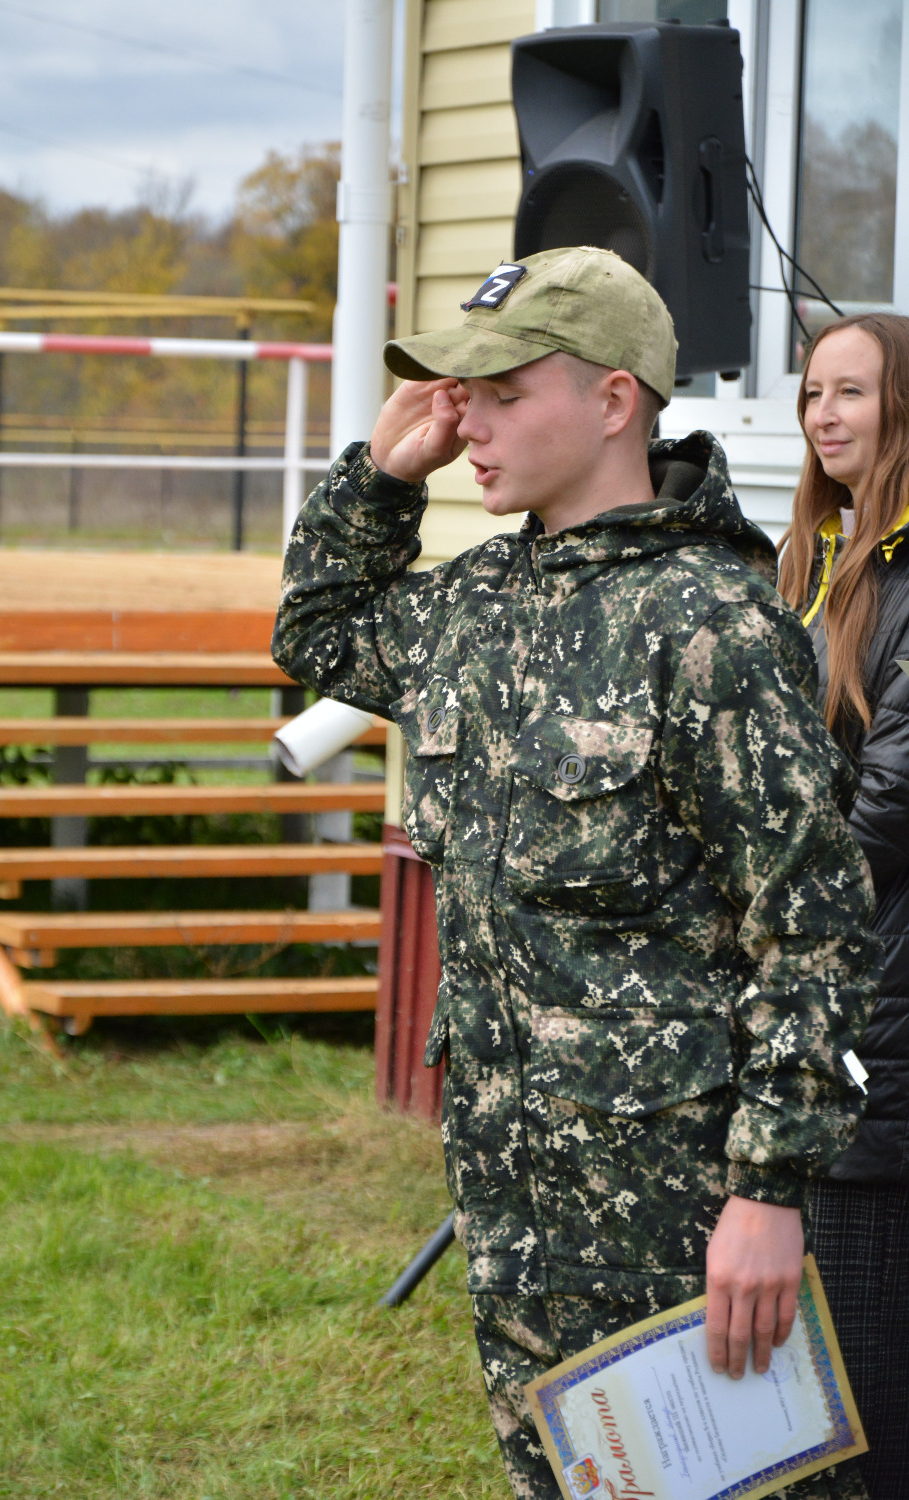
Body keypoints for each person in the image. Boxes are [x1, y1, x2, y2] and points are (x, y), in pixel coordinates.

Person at [272, 246, 880, 1500]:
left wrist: (766, 1195)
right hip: (512, 1193)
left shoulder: (709, 622)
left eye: (503, 393)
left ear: (612, 402)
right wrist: (384, 475)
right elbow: (317, 631)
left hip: (673, 1209)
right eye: (461, 395)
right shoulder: (479, 602)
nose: (470, 425)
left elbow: (810, 924)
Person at [778, 312, 909, 1500]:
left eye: (851, 392)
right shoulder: (819, 560)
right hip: (823, 987)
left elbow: (888, 804)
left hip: (877, 1004)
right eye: (813, 391)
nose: (823, 414)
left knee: (863, 1378)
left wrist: (764, 907)